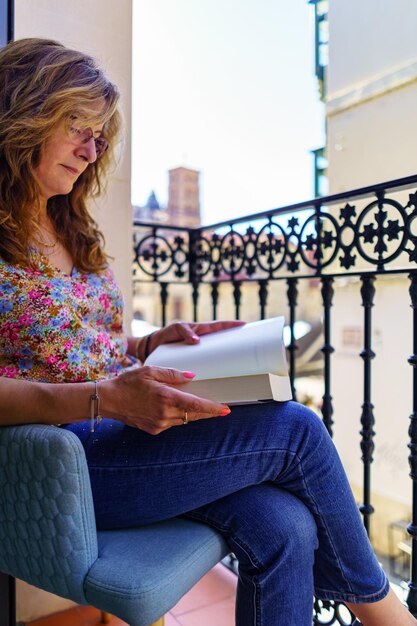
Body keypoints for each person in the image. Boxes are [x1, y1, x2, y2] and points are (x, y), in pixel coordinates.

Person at [0, 37, 413, 626]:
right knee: (295, 429)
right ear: (26, 111)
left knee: (285, 525)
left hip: (109, 432)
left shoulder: (64, 219)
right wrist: (104, 396)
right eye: (78, 126)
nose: (93, 151)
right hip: (56, 464)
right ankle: (388, 617)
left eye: (101, 135)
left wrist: (150, 343)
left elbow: (65, 343)